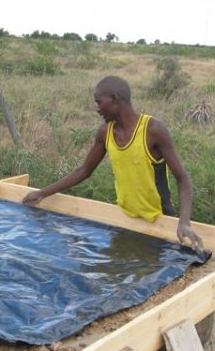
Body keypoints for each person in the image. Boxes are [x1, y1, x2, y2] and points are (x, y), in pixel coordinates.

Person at [23, 75, 203, 250]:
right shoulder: (105, 133)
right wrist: (42, 193)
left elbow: (182, 178)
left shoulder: (153, 130)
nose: (97, 109)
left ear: (114, 99)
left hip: (158, 220)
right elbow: (84, 171)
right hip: (125, 219)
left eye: (99, 102)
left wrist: (184, 222)